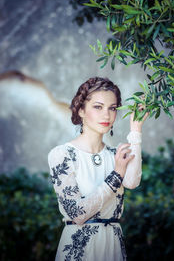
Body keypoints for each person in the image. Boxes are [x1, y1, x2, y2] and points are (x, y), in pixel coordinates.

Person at [48, 77, 148, 261]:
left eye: (112, 108)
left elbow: (132, 182)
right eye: (98, 107)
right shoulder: (62, 154)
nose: (107, 115)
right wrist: (116, 174)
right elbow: (77, 214)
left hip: (113, 246)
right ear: (81, 110)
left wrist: (136, 130)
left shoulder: (115, 155)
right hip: (79, 249)